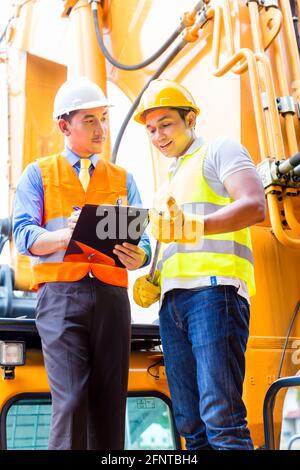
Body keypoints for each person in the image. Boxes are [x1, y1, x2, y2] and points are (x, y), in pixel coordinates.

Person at [13, 76, 151, 450]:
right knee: (71, 401)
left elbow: (146, 240)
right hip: (60, 298)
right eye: (90, 120)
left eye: (103, 119)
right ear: (64, 125)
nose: (101, 129)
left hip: (111, 299)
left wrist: (142, 255)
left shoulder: (124, 178)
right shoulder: (38, 174)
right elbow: (23, 236)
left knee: (109, 408)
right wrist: (65, 237)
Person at [133, 79, 266, 450]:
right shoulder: (166, 184)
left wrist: (197, 225)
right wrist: (154, 278)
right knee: (191, 426)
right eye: (151, 129)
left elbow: (255, 205)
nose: (158, 135)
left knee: (221, 420)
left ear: (190, 118)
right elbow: (175, 241)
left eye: (166, 124)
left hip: (214, 293)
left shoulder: (219, 150)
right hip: (174, 305)